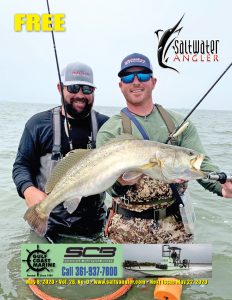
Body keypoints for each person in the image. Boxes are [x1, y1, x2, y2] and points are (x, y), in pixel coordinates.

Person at [96, 53, 232, 244]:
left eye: (143, 76)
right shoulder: (110, 131)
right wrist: (120, 182)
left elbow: (200, 163)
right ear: (121, 85)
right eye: (128, 77)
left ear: (153, 82)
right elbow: (108, 187)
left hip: (176, 228)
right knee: (126, 274)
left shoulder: (180, 124)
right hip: (125, 230)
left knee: (185, 273)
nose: (136, 82)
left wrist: (222, 185)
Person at [13, 61, 109, 242]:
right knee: (39, 268)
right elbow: (21, 165)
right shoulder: (38, 124)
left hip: (95, 228)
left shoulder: (107, 126)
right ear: (60, 88)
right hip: (49, 228)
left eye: (87, 90)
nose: (80, 95)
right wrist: (28, 189)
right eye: (73, 88)